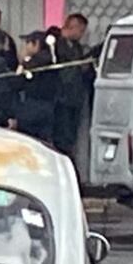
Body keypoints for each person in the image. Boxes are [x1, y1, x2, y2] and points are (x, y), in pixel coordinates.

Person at [54, 13, 93, 158]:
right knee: (61, 137)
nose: (82, 35)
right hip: (60, 98)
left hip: (74, 98)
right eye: (81, 30)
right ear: (73, 27)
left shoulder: (77, 47)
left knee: (71, 137)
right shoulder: (56, 43)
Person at [14, 30, 60, 144]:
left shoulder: (33, 62)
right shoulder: (51, 60)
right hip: (49, 106)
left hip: (33, 107)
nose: (25, 47)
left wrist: (22, 62)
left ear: (36, 44)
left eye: (28, 43)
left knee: (28, 140)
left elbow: (18, 81)